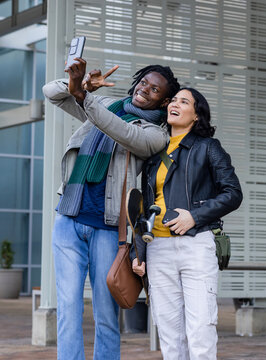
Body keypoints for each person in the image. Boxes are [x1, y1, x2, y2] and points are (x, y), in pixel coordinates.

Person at [42, 57, 180, 360]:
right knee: (68, 307)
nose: (145, 89)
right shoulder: (104, 103)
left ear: (165, 99)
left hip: (109, 229)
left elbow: (122, 132)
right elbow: (51, 91)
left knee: (106, 314)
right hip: (68, 219)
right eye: (144, 82)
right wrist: (77, 85)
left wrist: (86, 99)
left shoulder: (156, 134)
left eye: (155, 89)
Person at [131, 87, 243, 359]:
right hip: (157, 249)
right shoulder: (153, 153)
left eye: (185, 101)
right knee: (169, 334)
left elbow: (233, 193)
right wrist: (139, 252)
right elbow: (145, 208)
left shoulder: (208, 147)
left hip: (196, 245)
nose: (175, 104)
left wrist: (195, 215)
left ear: (196, 115)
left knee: (201, 328)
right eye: (173, 100)